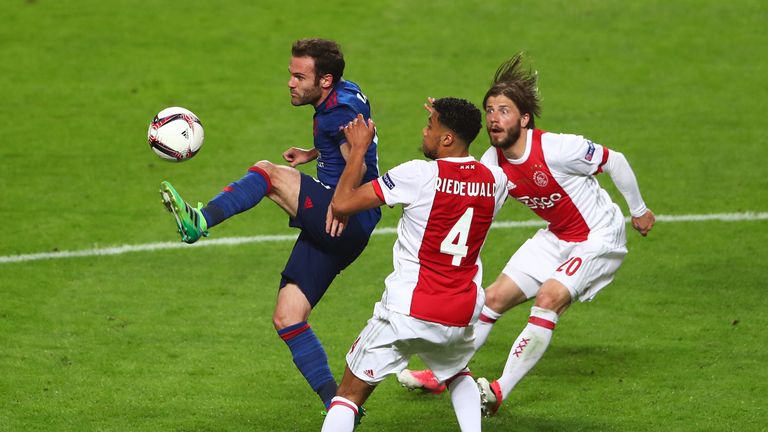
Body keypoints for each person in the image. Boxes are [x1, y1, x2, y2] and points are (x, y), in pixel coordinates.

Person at [397, 54, 656, 416]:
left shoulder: (557, 148)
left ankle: (499, 390)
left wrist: (639, 209)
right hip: (557, 236)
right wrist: (444, 118)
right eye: (489, 110)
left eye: (503, 110)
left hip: (599, 236)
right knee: (492, 298)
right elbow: (469, 194)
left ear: (523, 118)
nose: (493, 118)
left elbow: (615, 160)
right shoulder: (493, 161)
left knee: (549, 297)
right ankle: (444, 373)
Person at [158, 38, 381, 410]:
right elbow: (356, 146)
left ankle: (200, 221)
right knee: (288, 317)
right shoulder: (348, 95)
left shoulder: (336, 111)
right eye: (290, 75)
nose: (291, 83)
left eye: (299, 76)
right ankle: (338, 405)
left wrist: (341, 207)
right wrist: (314, 153)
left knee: (268, 174)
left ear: (324, 80)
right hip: (347, 223)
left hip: (345, 216)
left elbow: (357, 164)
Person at [320, 98, 508, 432]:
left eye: (431, 125)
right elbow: (470, 174)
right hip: (460, 310)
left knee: (348, 394)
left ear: (447, 139)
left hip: (408, 311)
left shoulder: (417, 175)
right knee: (457, 371)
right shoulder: (494, 181)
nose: (424, 131)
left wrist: (359, 149)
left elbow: (343, 203)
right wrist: (454, 116)